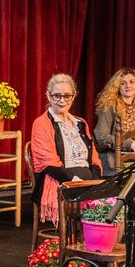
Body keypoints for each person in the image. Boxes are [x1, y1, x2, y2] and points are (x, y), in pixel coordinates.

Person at [29, 73, 102, 226]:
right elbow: (49, 164)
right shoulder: (41, 123)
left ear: (73, 97)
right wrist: (76, 183)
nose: (62, 100)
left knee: (116, 205)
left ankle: (96, 239)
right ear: (48, 96)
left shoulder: (80, 123)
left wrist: (95, 181)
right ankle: (89, 237)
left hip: (87, 181)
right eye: (57, 96)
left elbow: (94, 158)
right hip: (61, 182)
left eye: (67, 96)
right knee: (103, 208)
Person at [93, 67, 135, 172]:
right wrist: (129, 143)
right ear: (117, 87)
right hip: (111, 161)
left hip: (134, 160)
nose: (128, 86)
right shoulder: (110, 106)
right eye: (123, 83)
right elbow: (101, 137)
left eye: (132, 82)